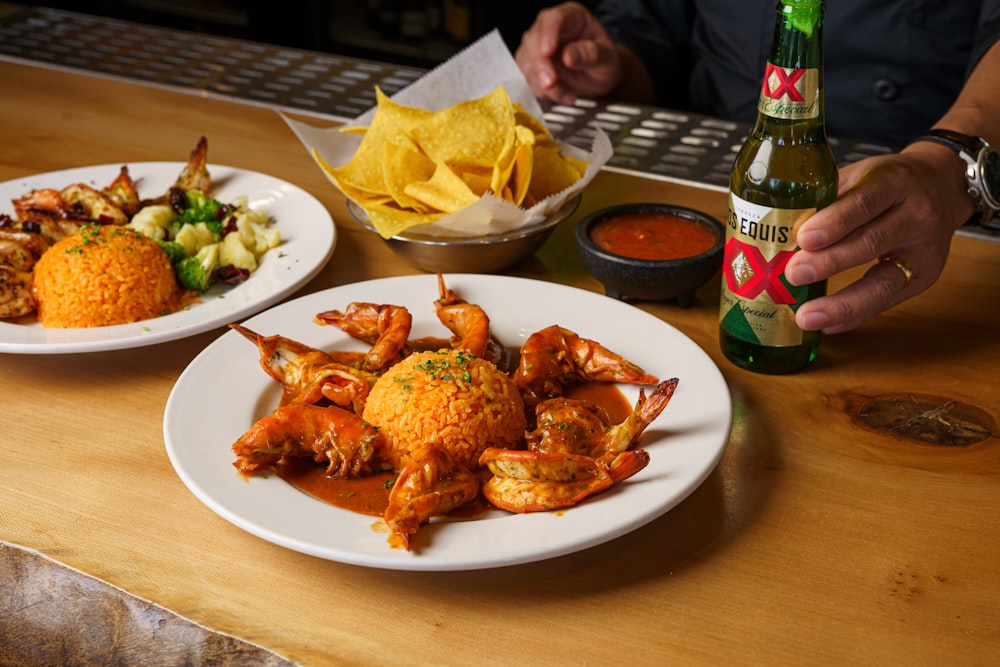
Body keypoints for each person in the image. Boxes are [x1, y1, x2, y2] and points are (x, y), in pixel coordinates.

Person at [515, 1, 1000, 335]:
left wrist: (952, 164)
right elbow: (654, 25)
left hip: (924, 209)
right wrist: (609, 62)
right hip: (712, 173)